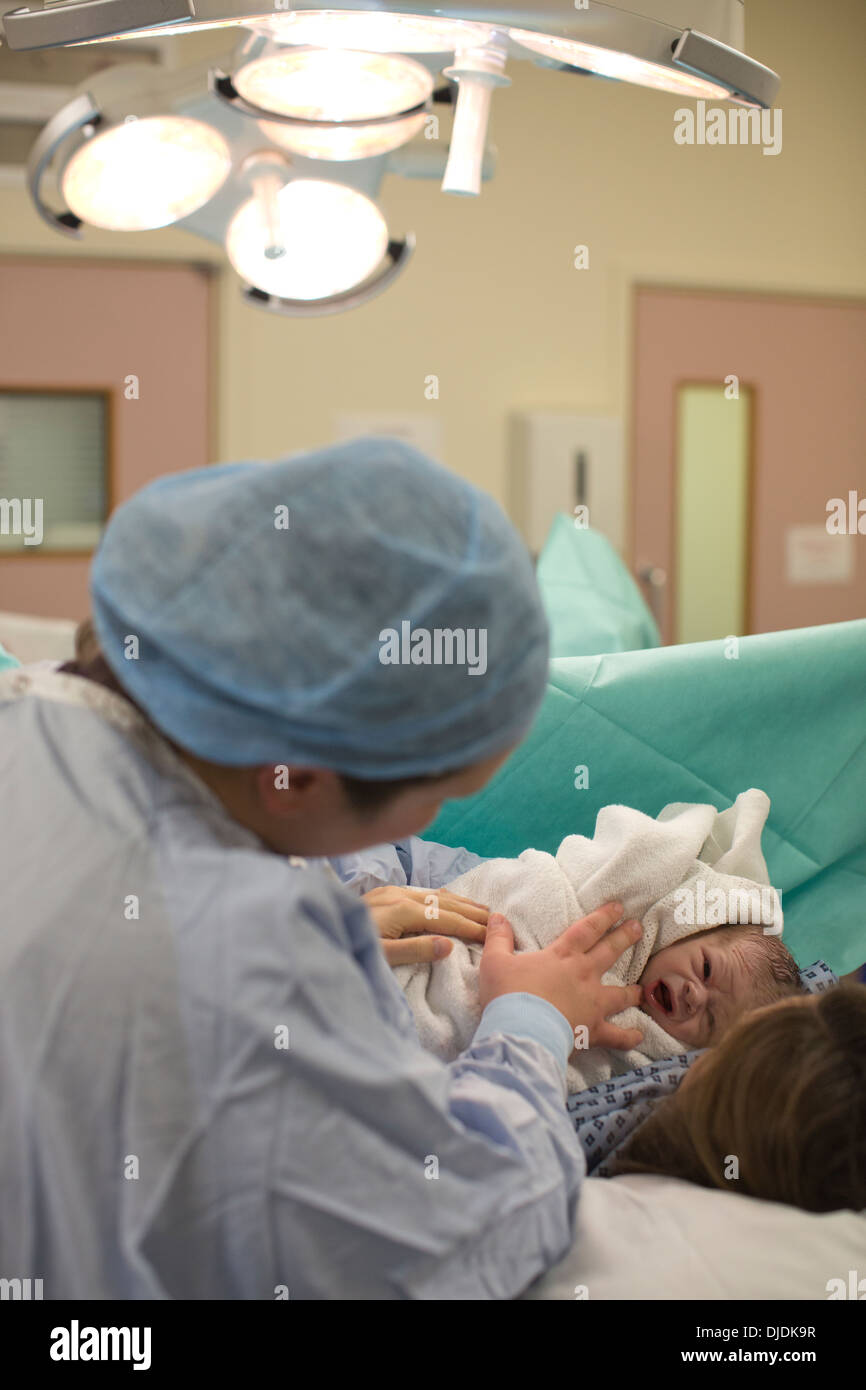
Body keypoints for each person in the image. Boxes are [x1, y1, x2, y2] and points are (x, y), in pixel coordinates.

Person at [0, 437, 645, 1300]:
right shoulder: (252, 953)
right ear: (297, 777)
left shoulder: (34, 709)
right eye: (440, 794)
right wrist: (529, 1021)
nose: (432, 825)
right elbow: (469, 1234)